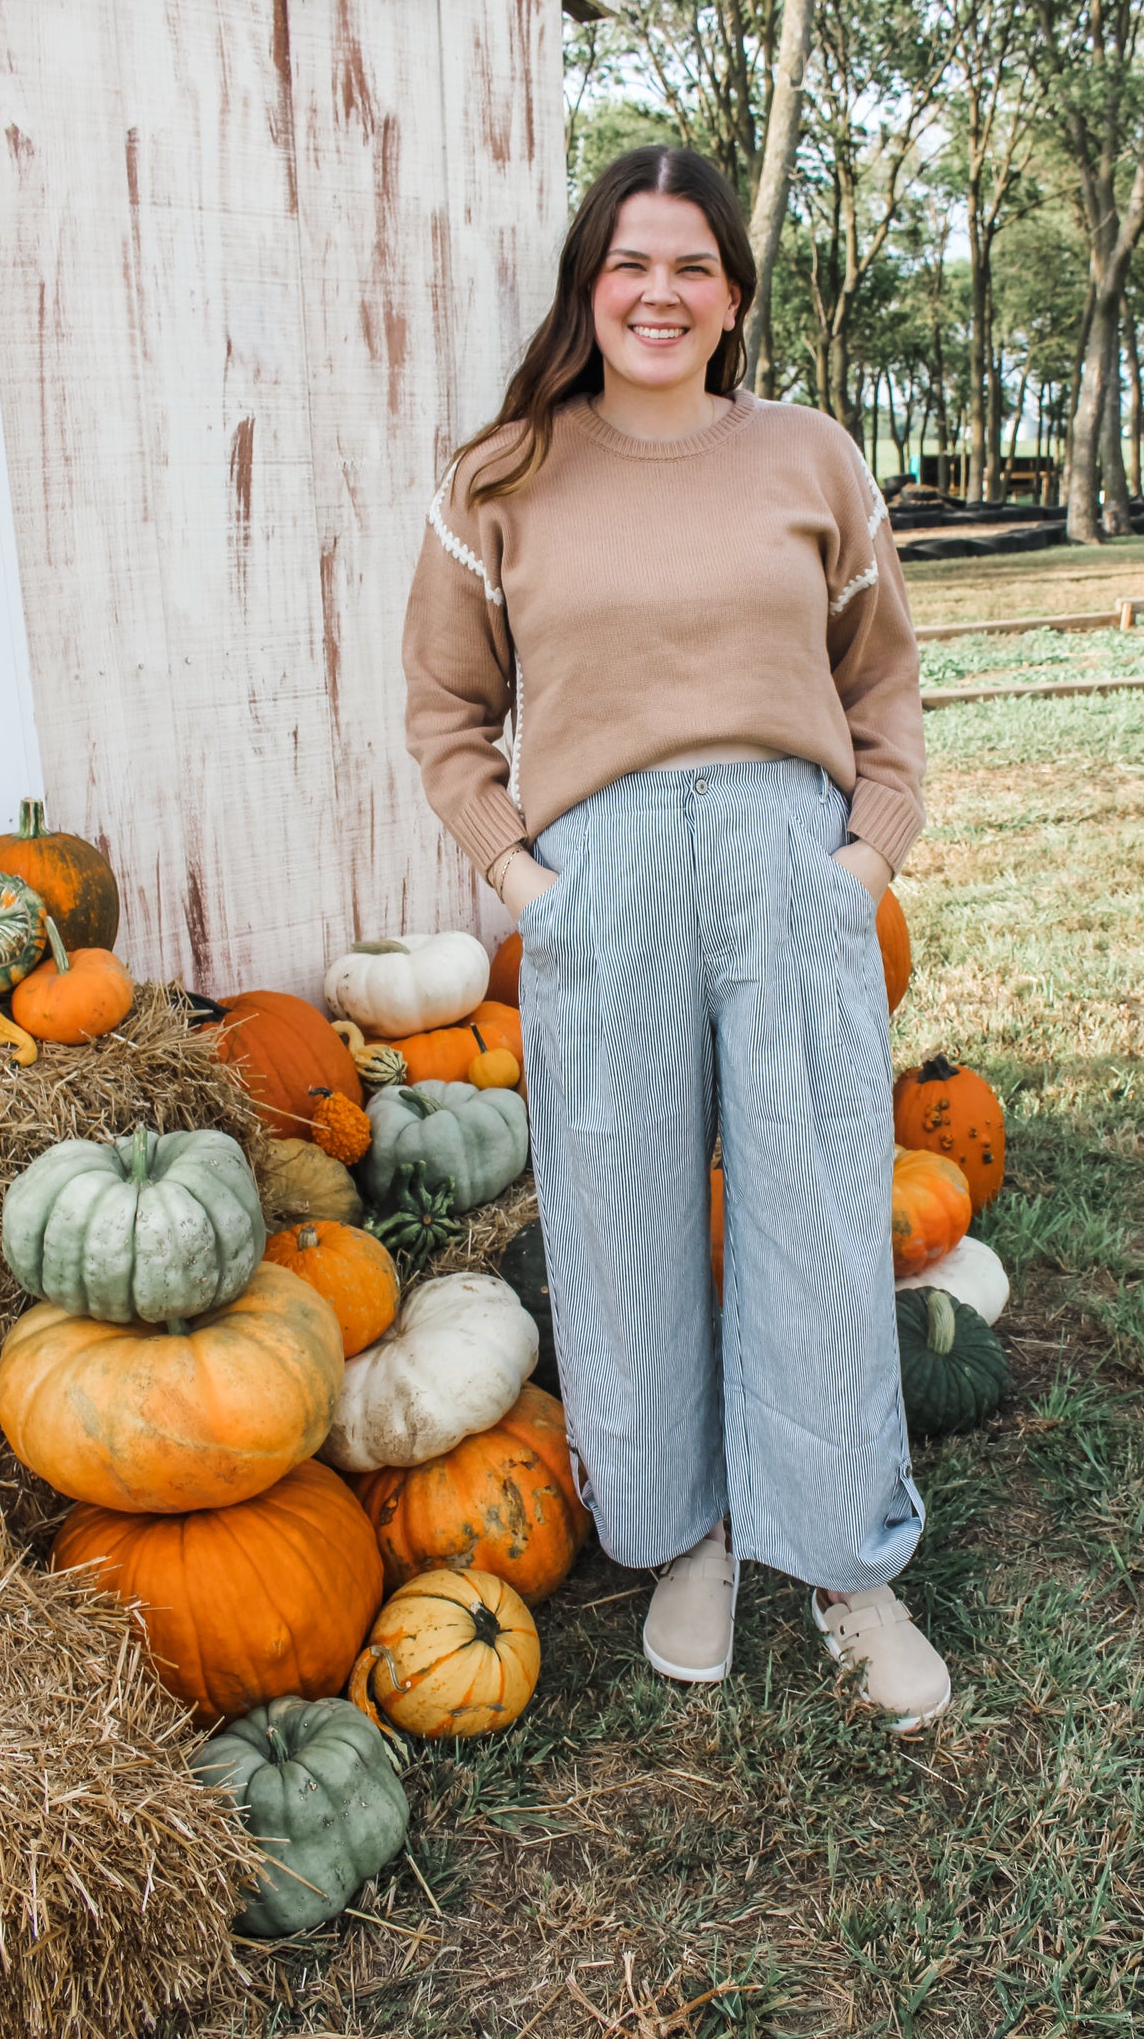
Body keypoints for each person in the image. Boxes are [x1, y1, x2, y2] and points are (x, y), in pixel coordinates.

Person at [402, 147, 948, 1730]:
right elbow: (446, 713)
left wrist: (860, 858)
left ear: (731, 296)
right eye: (629, 262)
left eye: (691, 266)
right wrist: (523, 881)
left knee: (816, 1215)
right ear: (590, 285)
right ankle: (683, 1534)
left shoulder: (807, 458)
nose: (659, 292)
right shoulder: (502, 477)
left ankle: (846, 1563)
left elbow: (882, 682)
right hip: (602, 877)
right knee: (624, 1220)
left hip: (789, 862)